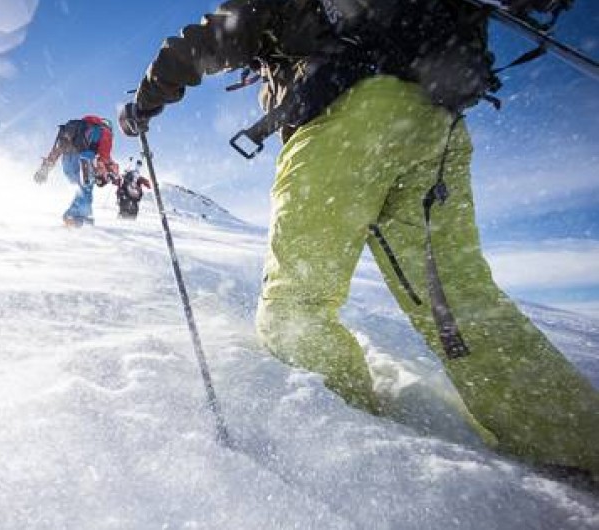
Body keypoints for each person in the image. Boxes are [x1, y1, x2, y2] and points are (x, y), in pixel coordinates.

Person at [118, 0, 599, 478]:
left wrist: (144, 101)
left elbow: (214, 36)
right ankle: (572, 442)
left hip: (346, 123)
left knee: (296, 306)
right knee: (458, 303)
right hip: (435, 121)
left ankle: (351, 453)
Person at [35, 115, 119, 227]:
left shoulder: (74, 129)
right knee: (86, 189)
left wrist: (44, 169)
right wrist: (107, 172)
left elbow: (57, 149)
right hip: (85, 159)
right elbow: (104, 157)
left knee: (82, 190)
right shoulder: (104, 131)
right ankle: (73, 217)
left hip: (67, 162)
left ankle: (83, 219)